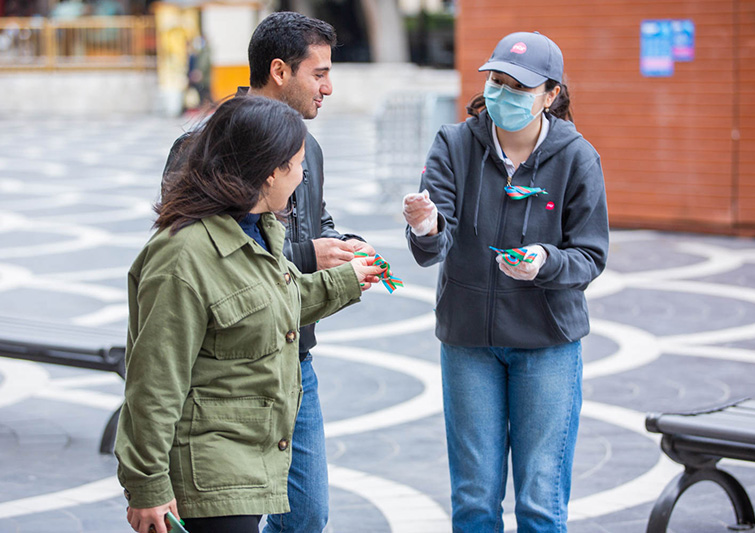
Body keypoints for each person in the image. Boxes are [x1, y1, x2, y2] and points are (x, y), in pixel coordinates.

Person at [115, 96, 384, 533]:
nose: (302, 176)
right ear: (269, 171)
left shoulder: (259, 229)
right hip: (209, 471)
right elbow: (154, 382)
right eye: (298, 164)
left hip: (253, 453)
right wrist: (147, 483)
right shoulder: (182, 255)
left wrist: (348, 280)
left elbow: (272, 303)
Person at [161, 12, 375, 533]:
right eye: (319, 73)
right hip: (225, 375)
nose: (328, 87)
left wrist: (343, 246)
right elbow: (199, 255)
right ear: (279, 71)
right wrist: (308, 255)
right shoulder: (201, 146)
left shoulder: (309, 145)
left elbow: (315, 220)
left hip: (294, 360)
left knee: (307, 516)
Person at [403, 31, 609, 532]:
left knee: (540, 501)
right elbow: (433, 248)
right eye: (496, 81)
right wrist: (426, 226)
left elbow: (590, 256)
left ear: (550, 95)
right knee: (474, 500)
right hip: (468, 341)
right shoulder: (454, 144)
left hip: (547, 343)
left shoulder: (577, 157)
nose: (503, 94)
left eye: (519, 87)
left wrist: (546, 262)